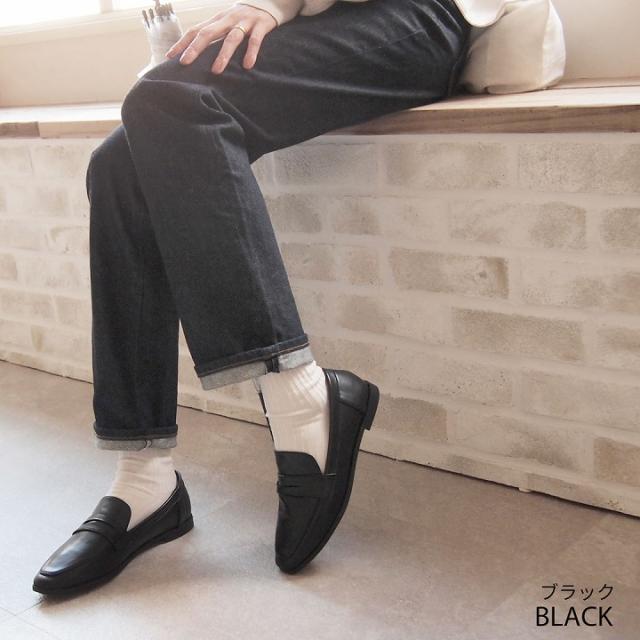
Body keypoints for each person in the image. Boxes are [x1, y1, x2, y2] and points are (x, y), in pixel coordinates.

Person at [32, 0, 486, 595]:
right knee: (119, 161)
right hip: (320, 21)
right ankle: (145, 479)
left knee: (167, 97)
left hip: (423, 17)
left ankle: (301, 397)